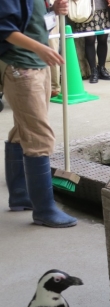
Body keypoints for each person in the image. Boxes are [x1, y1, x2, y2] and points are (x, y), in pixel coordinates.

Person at [0, 0, 77, 227]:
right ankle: (44, 210)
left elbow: (31, 19)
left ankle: (21, 195)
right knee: (39, 136)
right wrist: (39, 48)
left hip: (35, 63)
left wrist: (53, 11)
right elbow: (4, 28)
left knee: (23, 128)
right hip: (21, 65)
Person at [73, 0, 110, 83]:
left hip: (102, 7)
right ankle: (93, 70)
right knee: (90, 40)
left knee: (103, 39)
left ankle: (102, 68)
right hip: (87, 9)